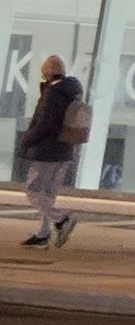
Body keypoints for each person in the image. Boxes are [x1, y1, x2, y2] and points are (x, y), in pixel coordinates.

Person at [20, 55, 83, 249]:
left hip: (47, 151)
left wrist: (27, 140)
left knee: (33, 190)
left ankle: (62, 219)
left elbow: (45, 124)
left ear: (47, 72)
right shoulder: (72, 91)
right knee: (47, 194)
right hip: (65, 150)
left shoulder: (53, 93)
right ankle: (43, 233)